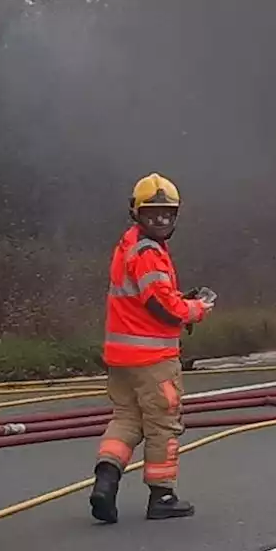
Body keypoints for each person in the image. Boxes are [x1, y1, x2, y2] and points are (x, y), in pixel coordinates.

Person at [89, 173, 214, 524]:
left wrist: (177, 301)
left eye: (167, 214)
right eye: (153, 213)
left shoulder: (128, 244)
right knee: (163, 424)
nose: (161, 220)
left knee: (126, 419)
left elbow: (146, 298)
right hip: (153, 361)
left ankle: (106, 480)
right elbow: (161, 305)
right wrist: (197, 309)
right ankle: (163, 495)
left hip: (121, 359)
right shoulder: (149, 253)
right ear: (137, 213)